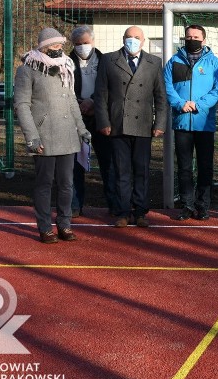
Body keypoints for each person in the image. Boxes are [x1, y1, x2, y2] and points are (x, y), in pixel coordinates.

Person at [14, 27, 90, 243]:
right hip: (43, 136)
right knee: (45, 183)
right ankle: (45, 227)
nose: (60, 49)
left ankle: (65, 225)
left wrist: (82, 128)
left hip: (68, 136)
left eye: (60, 45)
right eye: (55, 46)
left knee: (67, 184)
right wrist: (32, 136)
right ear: (44, 47)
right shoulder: (27, 70)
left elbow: (72, 100)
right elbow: (22, 104)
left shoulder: (67, 66)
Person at [94, 26, 168, 228]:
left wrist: (160, 123)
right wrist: (103, 122)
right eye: (129, 37)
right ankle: (122, 212)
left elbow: (161, 97)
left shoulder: (154, 63)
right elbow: (101, 95)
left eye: (137, 37)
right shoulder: (109, 60)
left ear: (143, 41)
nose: (132, 40)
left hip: (144, 125)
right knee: (121, 171)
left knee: (142, 170)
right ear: (123, 39)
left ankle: (141, 211)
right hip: (117, 125)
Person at [164, 25, 218, 221]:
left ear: (204, 40)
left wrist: (199, 105)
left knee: (205, 167)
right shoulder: (174, 61)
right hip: (182, 122)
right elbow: (166, 86)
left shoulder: (214, 63)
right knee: (184, 168)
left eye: (196, 37)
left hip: (204, 124)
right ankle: (187, 205)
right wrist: (180, 104)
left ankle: (203, 205)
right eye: (189, 36)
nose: (192, 39)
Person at [68, 25, 116, 217]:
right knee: (75, 164)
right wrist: (79, 103)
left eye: (86, 43)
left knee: (108, 163)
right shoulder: (66, 62)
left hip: (101, 117)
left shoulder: (107, 61)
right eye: (78, 44)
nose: (82, 47)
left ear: (93, 41)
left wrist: (93, 102)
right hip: (76, 117)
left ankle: (114, 204)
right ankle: (74, 205)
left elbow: (112, 88)